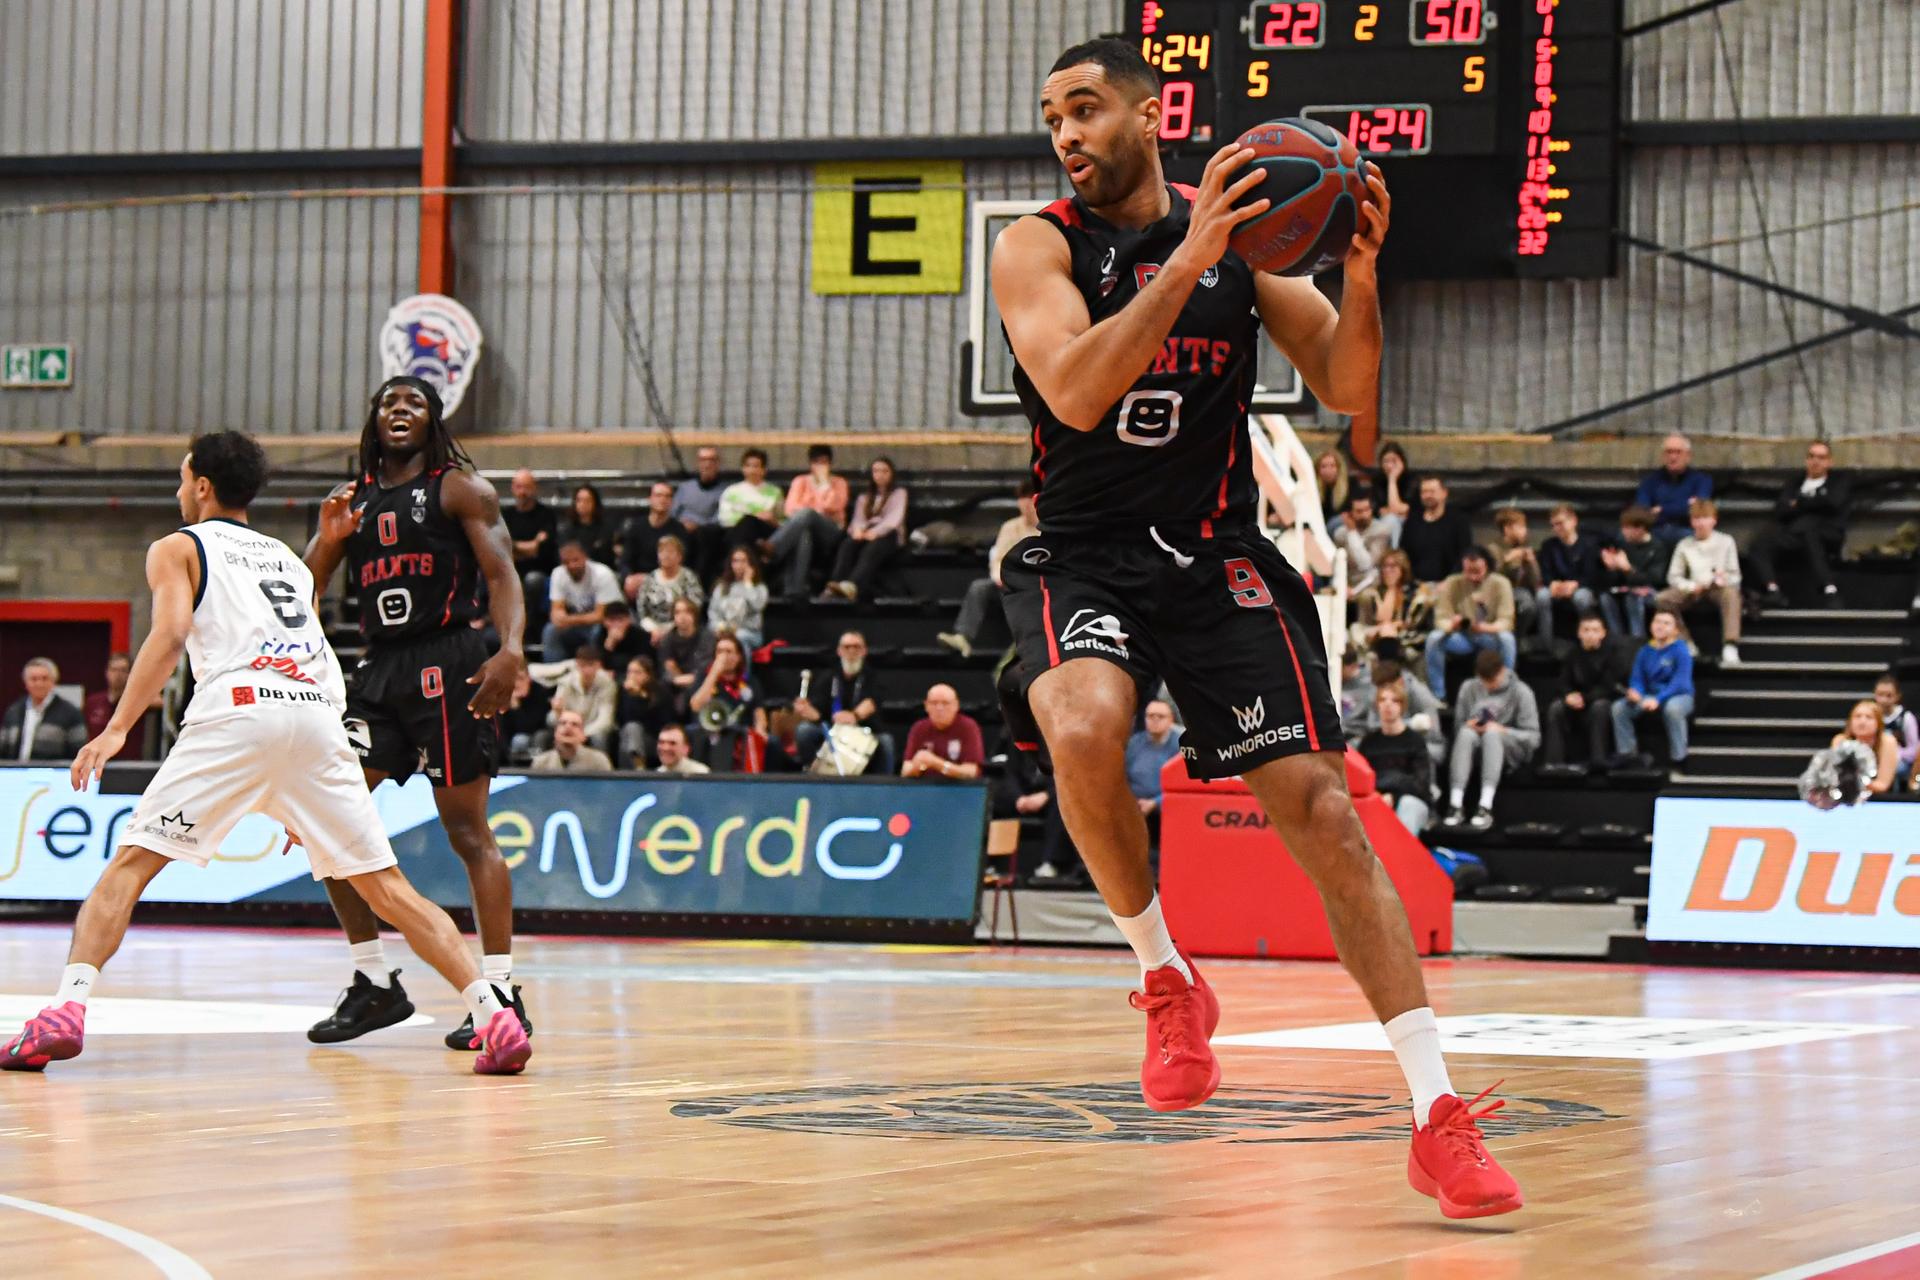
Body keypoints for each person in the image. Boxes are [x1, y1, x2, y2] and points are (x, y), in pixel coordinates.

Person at [992, 37, 1519, 1215]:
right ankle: (1168, 977)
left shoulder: (1240, 239)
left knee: (1325, 810)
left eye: (1086, 109)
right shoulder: (1037, 245)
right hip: (1080, 552)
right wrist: (1188, 260)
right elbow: (1076, 389)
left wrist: (1366, 272)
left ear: (1148, 114)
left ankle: (1437, 1113)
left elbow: (1342, 382)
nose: (1067, 134)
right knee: (1082, 718)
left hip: (1216, 553)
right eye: (1052, 116)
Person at [2, 431, 529, 1076]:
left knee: (130, 867)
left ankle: (66, 1008)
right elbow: (315, 651)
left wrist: (116, 730)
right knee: (389, 887)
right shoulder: (285, 558)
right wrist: (302, 785)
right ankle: (492, 1014)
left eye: (181, 476)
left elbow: (169, 636)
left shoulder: (176, 548)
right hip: (315, 717)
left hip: (238, 708)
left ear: (201, 484)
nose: (176, 487)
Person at [300, 376, 533, 1051]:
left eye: (416, 404)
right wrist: (324, 539)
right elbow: (299, 590)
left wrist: (510, 651)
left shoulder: (460, 486)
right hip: (378, 670)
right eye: (389, 403)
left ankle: (500, 990)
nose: (401, 411)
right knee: (331, 823)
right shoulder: (350, 502)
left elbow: (502, 575)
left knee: (467, 832)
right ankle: (373, 980)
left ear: (433, 422)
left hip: (451, 661)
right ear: (373, 420)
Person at [940, 478, 1040, 658]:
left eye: (1030, 501)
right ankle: (963, 637)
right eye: (1022, 501)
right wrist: (999, 576)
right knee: (979, 587)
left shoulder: (1048, 528)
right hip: (1009, 584)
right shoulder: (1009, 527)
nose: (1026, 507)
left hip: (1037, 587)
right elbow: (998, 557)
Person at [1441, 647, 1540, 831]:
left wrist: (1503, 730)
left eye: (1492, 681)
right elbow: (1457, 727)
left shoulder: (1522, 691)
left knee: (1492, 734)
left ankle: (1485, 805)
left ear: (1503, 671)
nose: (1488, 686)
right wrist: (1470, 725)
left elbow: (1533, 738)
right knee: (1465, 733)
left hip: (1511, 749)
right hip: (1476, 747)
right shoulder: (1468, 688)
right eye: (1484, 681)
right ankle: (1455, 803)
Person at [1749, 439, 1852, 607]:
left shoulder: (1839, 481)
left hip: (1827, 532)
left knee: (1809, 532)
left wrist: (1798, 503)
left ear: (1829, 461)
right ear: (1806, 460)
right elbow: (1781, 510)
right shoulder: (1795, 483)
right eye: (1811, 456)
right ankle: (1773, 590)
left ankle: (1830, 590)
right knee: (1760, 544)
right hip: (1793, 533)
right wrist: (1813, 502)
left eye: (1821, 457)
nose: (1816, 461)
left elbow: (1832, 503)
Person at [793, 630, 893, 775]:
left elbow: (872, 702)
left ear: (864, 651)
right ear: (839, 651)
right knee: (804, 731)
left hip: (863, 729)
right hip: (833, 729)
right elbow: (818, 710)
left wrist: (854, 716)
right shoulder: (829, 677)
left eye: (856, 647)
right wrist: (809, 711)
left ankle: (884, 788)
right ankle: (812, 775)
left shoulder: (872, 676)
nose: (851, 651)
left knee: (886, 741)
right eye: (847, 647)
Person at [1610, 606, 1695, 772]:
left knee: (1673, 710)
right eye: (1657, 621)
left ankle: (1679, 759)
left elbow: (1680, 683)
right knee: (1619, 708)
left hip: (1678, 695)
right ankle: (1628, 755)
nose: (1660, 626)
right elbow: (1637, 678)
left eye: (1666, 623)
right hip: (1649, 695)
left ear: (1676, 630)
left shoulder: (1681, 650)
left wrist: (1658, 699)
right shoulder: (1645, 651)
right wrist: (1636, 691)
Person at [1658, 499, 1742, 666]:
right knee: (1663, 598)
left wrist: (1723, 579)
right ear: (1691, 521)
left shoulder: (1726, 541)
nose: (1700, 523)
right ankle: (1686, 644)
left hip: (1717, 587)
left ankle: (1730, 645)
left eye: (1704, 518)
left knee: (1732, 595)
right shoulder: (1684, 545)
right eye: (1696, 518)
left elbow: (1735, 575)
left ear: (1714, 520)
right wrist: (1690, 586)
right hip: (1694, 588)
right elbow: (1673, 576)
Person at [1424, 547, 1517, 700]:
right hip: (1463, 637)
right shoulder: (1452, 582)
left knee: (1507, 639)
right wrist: (1452, 624)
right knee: (1434, 638)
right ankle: (1438, 695)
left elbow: (1507, 620)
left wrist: (1485, 627)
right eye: (1468, 571)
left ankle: (1505, 691)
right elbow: (1441, 618)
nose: (1473, 577)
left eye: (1477, 571)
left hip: (1489, 636)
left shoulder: (1501, 583)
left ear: (1487, 566)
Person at [1544, 612, 1634, 767]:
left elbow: (1609, 686)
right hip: (1576, 703)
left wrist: (1583, 698)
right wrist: (1568, 695)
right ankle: (1553, 763)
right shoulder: (1573, 654)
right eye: (1586, 630)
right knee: (1555, 708)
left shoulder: (1612, 654)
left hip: (1599, 701)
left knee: (1600, 707)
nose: (1590, 634)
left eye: (1595, 630)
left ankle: (1598, 760)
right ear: (1579, 633)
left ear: (1603, 633)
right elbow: (1563, 681)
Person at [770, 444, 850, 596]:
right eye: (816, 462)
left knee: (807, 515)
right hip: (804, 529)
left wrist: (824, 486)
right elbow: (790, 509)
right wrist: (817, 510)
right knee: (803, 533)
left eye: (824, 462)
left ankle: (774, 547)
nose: (820, 466)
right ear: (810, 464)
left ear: (830, 464)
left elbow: (833, 505)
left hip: (831, 532)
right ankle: (795, 590)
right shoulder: (800, 481)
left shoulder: (839, 483)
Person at [825, 457, 908, 602]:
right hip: (867, 532)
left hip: (888, 534)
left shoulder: (899, 494)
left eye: (885, 471)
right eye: (876, 471)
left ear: (891, 474)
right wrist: (857, 531)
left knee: (872, 549)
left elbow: (893, 520)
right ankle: (835, 585)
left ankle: (852, 586)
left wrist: (875, 532)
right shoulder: (864, 498)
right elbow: (858, 519)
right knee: (847, 545)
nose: (880, 475)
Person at [1360, 683, 1434, 835]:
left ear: (1402, 706)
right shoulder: (1368, 743)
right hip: (1376, 801)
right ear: (1377, 705)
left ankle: (1402, 857)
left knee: (1408, 806)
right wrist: (1377, 797)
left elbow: (1421, 784)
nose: (1388, 705)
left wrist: (1394, 796)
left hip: (1411, 800)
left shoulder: (1415, 741)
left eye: (1394, 700)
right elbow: (1361, 781)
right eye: (1383, 700)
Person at [688, 633, 765, 771]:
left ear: (739, 656)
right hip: (710, 730)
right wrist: (714, 673)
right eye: (720, 651)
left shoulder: (750, 681)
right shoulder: (705, 676)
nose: (724, 656)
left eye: (729, 651)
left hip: (740, 731)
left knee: (771, 743)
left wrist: (760, 730)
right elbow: (696, 706)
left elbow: (759, 712)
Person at [542, 539, 624, 661]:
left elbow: (601, 615)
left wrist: (568, 619)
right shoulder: (558, 573)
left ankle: (595, 669)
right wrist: (562, 619)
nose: (571, 565)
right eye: (566, 562)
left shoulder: (602, 574)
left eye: (575, 560)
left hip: (607, 623)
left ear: (585, 557)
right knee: (551, 630)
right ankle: (554, 673)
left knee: (597, 632)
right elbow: (556, 613)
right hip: (577, 624)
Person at [1534, 505, 1601, 648]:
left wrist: (1575, 584)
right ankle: (1546, 645)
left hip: (1581, 587)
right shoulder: (1548, 545)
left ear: (1573, 521)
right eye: (1553, 525)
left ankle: (1586, 641)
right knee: (1542, 596)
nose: (1557, 528)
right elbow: (1545, 572)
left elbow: (1592, 575)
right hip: (1557, 587)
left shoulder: (1589, 544)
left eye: (1560, 523)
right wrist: (1552, 584)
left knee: (1581, 598)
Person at [532, 645, 617, 757]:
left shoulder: (608, 684)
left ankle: (601, 772)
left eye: (590, 665)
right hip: (568, 728)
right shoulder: (566, 682)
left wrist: (581, 733)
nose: (586, 670)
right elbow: (551, 721)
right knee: (541, 736)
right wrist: (557, 713)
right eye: (582, 666)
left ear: (599, 666)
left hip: (592, 730)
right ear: (576, 665)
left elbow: (605, 720)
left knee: (599, 738)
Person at [1349, 550, 1431, 664]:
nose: (1387, 570)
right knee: (1355, 629)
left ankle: (1389, 670)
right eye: (1384, 566)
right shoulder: (1373, 593)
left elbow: (1411, 623)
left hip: (1408, 635)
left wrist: (1391, 626)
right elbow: (1371, 621)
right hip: (1376, 633)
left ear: (1403, 568)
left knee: (1387, 630)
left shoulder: (1417, 592)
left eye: (1393, 566)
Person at [1634, 434, 1712, 547]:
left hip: (1689, 532)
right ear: (1663, 456)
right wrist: (1684, 505)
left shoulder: (1701, 480)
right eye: (1669, 452)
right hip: (1656, 532)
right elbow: (1643, 511)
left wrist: (1661, 509)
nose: (1673, 457)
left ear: (1688, 456)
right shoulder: (1650, 481)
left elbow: (1698, 509)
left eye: (1678, 452)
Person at [1598, 506, 1663, 639]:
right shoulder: (1622, 544)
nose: (1623, 532)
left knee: (1633, 598)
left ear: (1640, 529)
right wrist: (1611, 567)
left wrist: (1628, 569)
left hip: (1651, 591)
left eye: (1627, 528)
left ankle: (1637, 640)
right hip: (1626, 588)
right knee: (1605, 597)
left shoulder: (1657, 547)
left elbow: (1655, 578)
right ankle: (1617, 638)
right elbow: (1614, 580)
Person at [3, 657, 86, 761]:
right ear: (25, 683)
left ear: (53, 681)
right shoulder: (13, 711)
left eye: (44, 678)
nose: (39, 684)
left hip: (53, 774)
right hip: (14, 774)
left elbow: (78, 753)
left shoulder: (71, 713)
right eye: (34, 679)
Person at [618, 481, 690, 598]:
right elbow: (626, 560)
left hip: (668, 581)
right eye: (658, 495)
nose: (663, 499)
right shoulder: (636, 527)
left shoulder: (679, 530)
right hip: (638, 582)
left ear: (671, 502)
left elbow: (682, 563)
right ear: (650, 499)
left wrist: (653, 579)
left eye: (667, 496)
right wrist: (628, 577)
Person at [1400, 475, 1474, 585]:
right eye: (1424, 492)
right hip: (1416, 585)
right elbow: (1404, 554)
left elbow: (1465, 555)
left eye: (1432, 491)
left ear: (1444, 493)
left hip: (1450, 585)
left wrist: (1448, 583)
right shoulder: (1412, 522)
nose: (1427, 495)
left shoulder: (1458, 521)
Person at [901, 683, 983, 781]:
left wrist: (936, 763)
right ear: (926, 706)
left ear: (956, 705)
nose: (939, 708)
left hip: (959, 788)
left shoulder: (968, 727)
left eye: (945, 703)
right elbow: (905, 770)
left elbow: (971, 772)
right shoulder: (919, 728)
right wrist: (916, 766)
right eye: (934, 703)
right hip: (925, 788)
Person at [501, 467, 558, 605]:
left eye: (527, 487)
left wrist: (516, 547)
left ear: (534, 488)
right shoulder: (505, 515)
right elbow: (503, 548)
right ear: (512, 488)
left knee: (532, 580)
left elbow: (542, 551)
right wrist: (531, 545)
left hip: (539, 571)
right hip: (510, 569)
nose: (522, 492)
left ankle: (530, 625)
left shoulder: (546, 515)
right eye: (519, 487)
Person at [635, 534, 706, 643]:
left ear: (679, 556)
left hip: (680, 628)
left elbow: (695, 607)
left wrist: (670, 629)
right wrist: (653, 629)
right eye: (661, 552)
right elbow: (641, 610)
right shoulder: (650, 578)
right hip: (652, 629)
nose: (665, 555)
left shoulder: (689, 577)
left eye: (670, 552)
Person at [672, 445, 729, 581]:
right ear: (698, 463)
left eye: (711, 460)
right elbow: (672, 513)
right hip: (681, 531)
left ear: (718, 463)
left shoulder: (725, 491)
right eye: (703, 460)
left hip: (707, 535)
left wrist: (696, 525)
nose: (707, 464)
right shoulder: (685, 488)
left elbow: (721, 518)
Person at [83, 653, 154, 761]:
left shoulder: (138, 701)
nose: (118, 675)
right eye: (114, 670)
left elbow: (160, 701)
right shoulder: (93, 702)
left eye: (123, 670)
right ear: (107, 672)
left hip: (129, 763)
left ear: (130, 673)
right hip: (96, 761)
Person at [1124, 699, 1183, 821]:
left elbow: (1183, 784)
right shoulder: (1134, 743)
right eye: (1150, 716)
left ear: (1171, 719)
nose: (1155, 720)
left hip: (1169, 810)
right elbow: (1124, 775)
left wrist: (1155, 802)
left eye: (1160, 716)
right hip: (1134, 808)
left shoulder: (1181, 747)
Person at [718, 447, 785, 553]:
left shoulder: (775, 492)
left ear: (764, 470)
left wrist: (773, 520)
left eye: (756, 466)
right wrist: (754, 517)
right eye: (748, 466)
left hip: (765, 530)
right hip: (737, 530)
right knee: (748, 522)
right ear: (743, 468)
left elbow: (783, 520)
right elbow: (724, 518)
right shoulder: (731, 491)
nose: (752, 470)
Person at [655, 597, 715, 715]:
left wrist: (690, 678)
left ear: (694, 615)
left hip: (700, 682)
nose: (682, 617)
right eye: (678, 612)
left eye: (687, 612)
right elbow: (667, 669)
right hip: (676, 684)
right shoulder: (667, 640)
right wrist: (677, 678)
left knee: (697, 688)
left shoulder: (706, 636)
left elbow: (704, 667)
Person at [1491, 508, 1542, 639]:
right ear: (1507, 528)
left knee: (1529, 605)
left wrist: (1532, 562)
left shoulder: (1525, 548)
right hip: (1499, 591)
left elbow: (1536, 582)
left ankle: (1516, 638)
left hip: (1520, 591)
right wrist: (1507, 561)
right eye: (1520, 527)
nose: (1524, 531)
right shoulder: (1494, 549)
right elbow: (1491, 578)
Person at [615, 656, 674, 768]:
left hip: (655, 740)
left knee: (633, 729)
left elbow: (661, 725)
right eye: (629, 672)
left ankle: (639, 771)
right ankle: (633, 769)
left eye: (637, 672)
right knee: (630, 730)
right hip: (629, 738)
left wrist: (640, 697)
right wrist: (632, 696)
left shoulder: (661, 692)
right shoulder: (624, 692)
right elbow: (622, 720)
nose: (632, 676)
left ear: (648, 675)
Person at [708, 546, 769, 653]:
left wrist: (747, 584)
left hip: (750, 632)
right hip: (724, 631)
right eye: (736, 561)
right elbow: (713, 612)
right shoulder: (722, 587)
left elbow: (757, 606)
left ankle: (744, 670)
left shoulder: (759, 588)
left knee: (739, 638)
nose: (739, 565)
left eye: (743, 561)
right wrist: (719, 627)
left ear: (750, 564)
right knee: (708, 637)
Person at [1831, 700, 1899, 796]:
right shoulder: (1840, 740)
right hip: (1845, 795)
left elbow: (1883, 785)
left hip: (1878, 799)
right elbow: (1834, 777)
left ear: (1878, 723)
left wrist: (1857, 782)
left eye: (1869, 717)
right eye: (1857, 716)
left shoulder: (1888, 742)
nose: (1862, 722)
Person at [1333, 489, 1393, 592]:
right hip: (1348, 582)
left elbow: (1367, 565)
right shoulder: (1340, 534)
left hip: (1371, 582)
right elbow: (1336, 567)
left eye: (1367, 509)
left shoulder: (1381, 531)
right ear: (1349, 514)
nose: (1365, 515)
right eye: (1359, 511)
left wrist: (1352, 533)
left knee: (1366, 596)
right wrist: (1341, 586)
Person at [1871, 673, 1918, 788]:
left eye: (1889, 695)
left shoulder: (1905, 717)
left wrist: (1895, 754)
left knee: (1893, 767)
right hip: (1872, 758)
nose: (1884, 700)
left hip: (1900, 760)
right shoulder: (1869, 715)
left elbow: (1914, 749)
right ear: (1874, 694)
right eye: (1880, 695)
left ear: (1897, 696)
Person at [530, 708, 613, 773]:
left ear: (583, 736)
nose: (568, 727)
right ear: (555, 733)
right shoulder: (540, 762)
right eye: (563, 723)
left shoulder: (598, 761)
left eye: (575, 724)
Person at [558, 482, 617, 567]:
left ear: (595, 503)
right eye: (579, 500)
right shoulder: (566, 530)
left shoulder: (605, 529)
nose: (583, 504)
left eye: (587, 501)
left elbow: (607, 558)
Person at [499, 667, 549, 764]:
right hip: (509, 737)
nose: (516, 683)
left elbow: (528, 727)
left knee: (520, 739)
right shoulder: (502, 693)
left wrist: (516, 707)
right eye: (512, 679)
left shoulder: (539, 692)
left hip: (533, 734)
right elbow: (501, 727)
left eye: (520, 678)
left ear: (529, 678)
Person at [1370, 441, 1415, 544]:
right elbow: (1378, 510)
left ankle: (1394, 556)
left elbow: (1395, 508)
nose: (1390, 466)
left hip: (1408, 522)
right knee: (1391, 520)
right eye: (1386, 461)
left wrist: (1392, 479)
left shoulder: (1411, 481)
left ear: (1402, 462)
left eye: (1394, 461)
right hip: (1382, 523)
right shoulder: (1378, 481)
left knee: (1392, 520)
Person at [593, 599, 652, 669]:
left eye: (620, 620)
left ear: (628, 620)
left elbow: (642, 662)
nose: (616, 624)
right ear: (605, 622)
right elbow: (598, 664)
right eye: (612, 620)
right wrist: (609, 645)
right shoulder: (601, 635)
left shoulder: (640, 635)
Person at [1314, 449, 1350, 525]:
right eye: (1323, 466)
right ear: (1317, 470)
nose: (1328, 470)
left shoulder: (1350, 485)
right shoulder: (1313, 488)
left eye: (1332, 466)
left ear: (1339, 468)